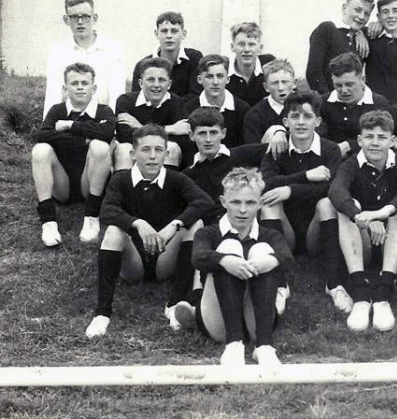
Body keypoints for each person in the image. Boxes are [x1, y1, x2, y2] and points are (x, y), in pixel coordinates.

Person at [84, 124, 213, 338]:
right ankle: (102, 314)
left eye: (158, 150)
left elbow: (204, 202)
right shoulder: (121, 179)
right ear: (133, 154)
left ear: (166, 153)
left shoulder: (176, 178)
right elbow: (107, 210)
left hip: (165, 258)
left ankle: (174, 304)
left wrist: (174, 225)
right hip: (133, 263)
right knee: (114, 231)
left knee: (195, 224)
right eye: (145, 150)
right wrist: (137, 223)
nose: (152, 156)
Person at [189, 167, 293, 366]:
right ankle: (234, 344)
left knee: (263, 250)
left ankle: (264, 346)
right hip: (219, 321)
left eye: (250, 202)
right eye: (236, 202)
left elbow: (287, 257)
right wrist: (225, 260)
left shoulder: (269, 234)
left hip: (256, 319)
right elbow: (197, 257)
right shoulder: (209, 233)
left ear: (260, 204)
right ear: (223, 202)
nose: (243, 210)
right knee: (229, 246)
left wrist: (269, 261)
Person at [259, 92, 350, 313]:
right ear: (285, 122)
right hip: (285, 234)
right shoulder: (277, 148)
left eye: (307, 116)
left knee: (326, 203)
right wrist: (305, 176)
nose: (300, 122)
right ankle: (279, 285)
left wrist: (290, 190)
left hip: (316, 234)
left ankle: (334, 284)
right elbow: (267, 183)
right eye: (295, 116)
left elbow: (331, 187)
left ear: (317, 122)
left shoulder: (330, 150)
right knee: (270, 203)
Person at [328, 110, 397, 332]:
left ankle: (383, 294)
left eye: (381, 137)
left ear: (391, 141)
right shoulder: (351, 164)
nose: (375, 143)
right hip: (362, 240)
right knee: (345, 208)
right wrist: (360, 216)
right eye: (369, 137)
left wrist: (380, 214)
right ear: (359, 140)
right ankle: (360, 295)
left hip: (393, 243)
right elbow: (336, 191)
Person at [33, 62, 115, 246]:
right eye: (74, 83)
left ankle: (92, 217)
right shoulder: (57, 110)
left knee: (100, 146)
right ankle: (48, 222)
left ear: (93, 88)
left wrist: (70, 126)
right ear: (65, 88)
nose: (79, 87)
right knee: (40, 150)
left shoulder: (104, 111)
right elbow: (42, 135)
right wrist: (83, 139)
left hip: (91, 182)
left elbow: (107, 134)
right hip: (63, 185)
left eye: (84, 83)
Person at [43, 0, 124, 119]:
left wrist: (113, 130)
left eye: (85, 16)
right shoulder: (58, 51)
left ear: (94, 18)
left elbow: (117, 94)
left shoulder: (112, 49)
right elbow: (53, 93)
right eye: (74, 17)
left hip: (101, 120)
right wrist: (48, 127)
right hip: (68, 119)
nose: (80, 22)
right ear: (66, 20)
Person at [113, 57, 190, 171]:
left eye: (162, 80)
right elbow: (125, 136)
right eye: (150, 79)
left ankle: (164, 188)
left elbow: (182, 138)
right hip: (137, 151)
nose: (156, 84)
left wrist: (140, 128)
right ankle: (126, 188)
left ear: (169, 84)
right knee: (124, 149)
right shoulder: (125, 101)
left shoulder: (177, 102)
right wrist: (170, 129)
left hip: (162, 152)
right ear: (140, 83)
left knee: (172, 147)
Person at [320, 52, 389, 157]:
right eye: (338, 85)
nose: (343, 90)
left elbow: (381, 138)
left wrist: (349, 145)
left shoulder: (378, 103)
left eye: (349, 84)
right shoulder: (323, 101)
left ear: (362, 80)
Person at [306, 0, 373, 94]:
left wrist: (360, 32)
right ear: (344, 8)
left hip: (352, 100)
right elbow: (313, 72)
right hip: (329, 100)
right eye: (357, 10)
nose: (361, 17)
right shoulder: (327, 29)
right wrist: (326, 100)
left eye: (366, 14)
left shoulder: (363, 34)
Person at [185, 54, 252, 149]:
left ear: (228, 79)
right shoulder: (189, 109)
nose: (215, 82)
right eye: (209, 77)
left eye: (220, 76)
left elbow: (245, 147)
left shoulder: (242, 109)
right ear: (200, 79)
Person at [131, 11, 203, 98]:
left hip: (185, 111)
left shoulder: (194, 58)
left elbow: (196, 95)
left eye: (174, 31)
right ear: (156, 34)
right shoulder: (142, 65)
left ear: (183, 34)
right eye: (164, 31)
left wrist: (173, 109)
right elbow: (137, 98)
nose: (169, 36)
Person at [242, 59, 297, 149]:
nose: (280, 88)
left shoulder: (308, 106)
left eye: (285, 82)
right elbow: (251, 151)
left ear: (294, 83)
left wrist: (281, 132)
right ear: (266, 87)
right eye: (275, 83)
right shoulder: (255, 114)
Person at [225, 22, 276, 106]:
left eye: (251, 44)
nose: (247, 49)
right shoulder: (223, 70)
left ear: (260, 48)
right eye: (241, 44)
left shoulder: (270, 65)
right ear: (232, 47)